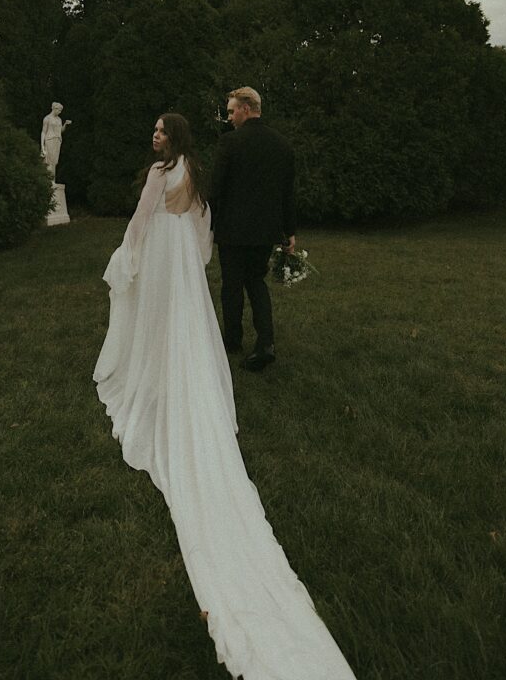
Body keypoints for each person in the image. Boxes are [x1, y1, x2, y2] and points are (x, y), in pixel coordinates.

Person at [94, 113, 356, 680]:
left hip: (166, 260)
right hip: (184, 263)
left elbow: (141, 221)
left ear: (173, 138)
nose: (155, 135)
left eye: (161, 130)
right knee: (191, 323)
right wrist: (193, 258)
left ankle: (157, 374)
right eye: (155, 129)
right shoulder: (193, 170)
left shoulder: (159, 172)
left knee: (160, 324)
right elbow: (202, 229)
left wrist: (127, 257)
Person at [211, 87, 296, 371]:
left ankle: (233, 341)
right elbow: (288, 193)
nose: (230, 117)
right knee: (256, 283)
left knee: (232, 286)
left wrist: (209, 223)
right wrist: (289, 231)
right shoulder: (282, 145)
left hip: (232, 231)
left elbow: (216, 189)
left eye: (232, 111)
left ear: (246, 109)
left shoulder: (229, 143)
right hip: (265, 231)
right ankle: (266, 343)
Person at [40, 102, 71, 183]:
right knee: (49, 161)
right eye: (59, 110)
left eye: (61, 110)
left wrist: (65, 124)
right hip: (49, 140)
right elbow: (43, 132)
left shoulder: (59, 119)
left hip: (58, 141)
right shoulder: (47, 118)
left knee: (55, 162)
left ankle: (52, 180)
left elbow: (60, 131)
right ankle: (49, 181)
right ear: (54, 109)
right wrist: (42, 146)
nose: (60, 112)